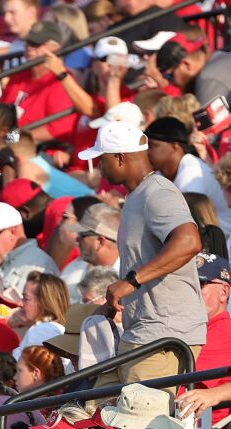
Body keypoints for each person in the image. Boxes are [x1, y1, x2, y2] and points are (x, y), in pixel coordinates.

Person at [77, 122, 204, 382]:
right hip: (144, 332)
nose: (99, 167)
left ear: (120, 158)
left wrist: (130, 282)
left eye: (102, 159)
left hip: (164, 333)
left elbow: (189, 241)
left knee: (138, 422)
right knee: (96, 412)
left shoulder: (157, 191)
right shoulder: (139, 195)